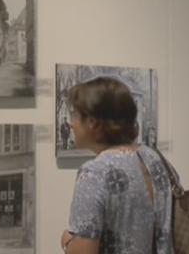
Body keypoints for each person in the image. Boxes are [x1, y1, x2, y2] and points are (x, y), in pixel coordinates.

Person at [60, 77, 174, 254]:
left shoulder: (94, 173)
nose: (71, 124)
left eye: (75, 115)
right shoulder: (154, 159)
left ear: (92, 122)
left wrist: (68, 241)